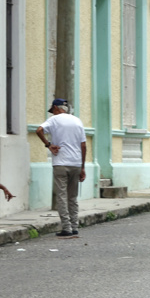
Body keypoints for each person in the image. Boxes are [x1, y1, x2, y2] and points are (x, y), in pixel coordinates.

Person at [36, 98, 86, 237]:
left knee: (62, 196)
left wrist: (48, 145)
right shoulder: (77, 121)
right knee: (72, 197)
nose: (52, 113)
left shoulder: (54, 120)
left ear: (55, 108)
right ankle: (75, 226)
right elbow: (83, 146)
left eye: (52, 110)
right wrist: (82, 167)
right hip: (76, 163)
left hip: (60, 163)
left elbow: (39, 130)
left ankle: (66, 228)